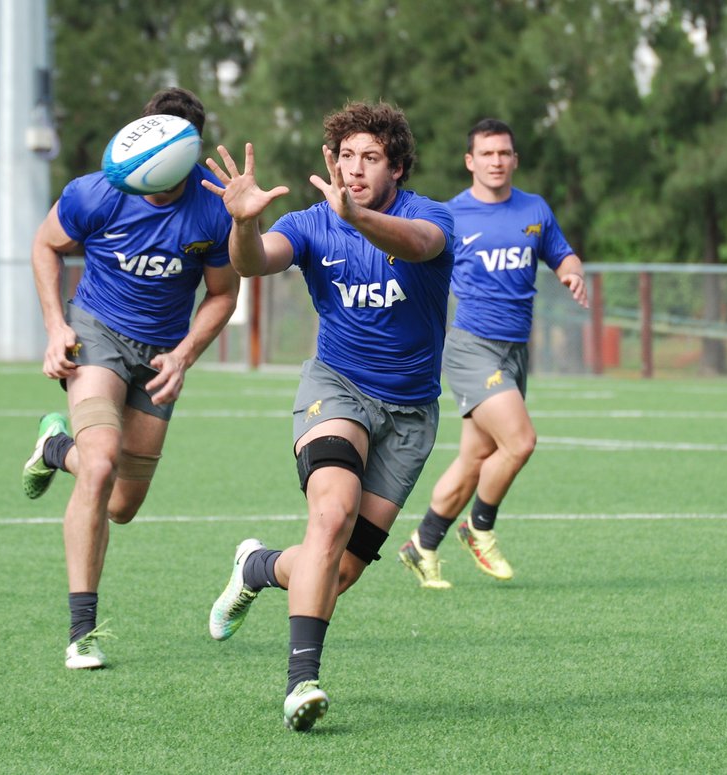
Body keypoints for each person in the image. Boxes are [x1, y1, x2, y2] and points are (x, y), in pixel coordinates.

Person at [200, 101, 454, 731]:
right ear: (330, 162)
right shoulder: (312, 223)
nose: (357, 168)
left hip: (411, 414)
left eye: (371, 157)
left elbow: (422, 246)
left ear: (396, 166)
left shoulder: (430, 216)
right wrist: (242, 225)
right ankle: (301, 684)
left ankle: (257, 567)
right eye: (346, 157)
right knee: (331, 513)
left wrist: (360, 218)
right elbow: (254, 261)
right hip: (336, 388)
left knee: (336, 570)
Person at [20, 87, 239, 669]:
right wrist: (53, 326)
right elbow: (46, 246)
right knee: (99, 464)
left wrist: (186, 353)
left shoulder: (213, 208)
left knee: (121, 504)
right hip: (97, 332)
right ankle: (81, 632)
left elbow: (223, 294)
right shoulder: (97, 191)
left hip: (163, 351)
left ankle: (53, 445)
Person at [397, 118, 588, 590]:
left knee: (475, 459)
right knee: (520, 442)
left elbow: (563, 253)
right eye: (487, 154)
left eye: (504, 153)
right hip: (470, 348)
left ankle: (422, 544)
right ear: (470, 162)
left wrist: (571, 271)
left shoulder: (535, 210)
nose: (496, 161)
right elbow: (412, 263)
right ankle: (477, 527)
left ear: (514, 159)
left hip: (516, 351)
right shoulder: (451, 215)